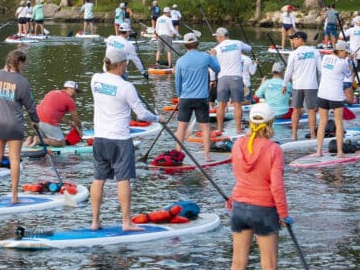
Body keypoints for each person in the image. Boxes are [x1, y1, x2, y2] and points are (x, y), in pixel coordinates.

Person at [227, 102, 291, 270]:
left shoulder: (237, 146)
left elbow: (238, 177)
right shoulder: (274, 150)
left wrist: (233, 199)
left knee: (237, 264)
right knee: (269, 266)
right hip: (264, 211)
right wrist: (284, 214)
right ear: (270, 123)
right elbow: (277, 186)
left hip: (240, 208)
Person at [90, 46, 159, 230]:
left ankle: (95, 221)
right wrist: (156, 118)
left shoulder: (95, 80)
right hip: (120, 140)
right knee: (123, 180)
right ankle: (126, 222)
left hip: (100, 138)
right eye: (126, 64)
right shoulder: (126, 87)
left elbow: (106, 75)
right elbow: (142, 114)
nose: (126, 67)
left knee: (98, 179)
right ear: (121, 65)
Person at [0, 50, 39, 204]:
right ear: (20, 63)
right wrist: (35, 120)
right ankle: (15, 196)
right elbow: (30, 105)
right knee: (14, 159)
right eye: (24, 63)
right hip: (14, 125)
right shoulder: (22, 81)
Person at [174, 33, 220, 160]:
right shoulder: (206, 57)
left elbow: (177, 81)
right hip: (201, 98)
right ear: (197, 43)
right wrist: (214, 56)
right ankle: (207, 155)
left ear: (185, 45)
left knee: (181, 127)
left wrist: (179, 96)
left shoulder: (180, 61)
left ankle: (178, 154)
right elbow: (217, 69)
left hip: (185, 97)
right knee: (205, 127)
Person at [211, 28, 254, 135]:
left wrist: (212, 80)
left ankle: (220, 129)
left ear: (221, 37)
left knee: (221, 105)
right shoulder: (238, 43)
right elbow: (250, 48)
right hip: (236, 77)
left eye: (217, 36)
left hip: (222, 78)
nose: (216, 38)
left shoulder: (216, 49)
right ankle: (238, 129)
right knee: (237, 105)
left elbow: (212, 67)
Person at [315, 42, 353, 157]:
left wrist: (347, 59)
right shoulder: (342, 63)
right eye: (346, 53)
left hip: (322, 94)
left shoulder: (325, 58)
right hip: (335, 95)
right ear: (340, 51)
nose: (346, 55)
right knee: (339, 123)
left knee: (322, 123)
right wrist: (350, 61)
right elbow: (348, 74)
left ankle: (319, 151)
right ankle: (340, 152)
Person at [282, 31, 319, 142]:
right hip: (312, 85)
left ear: (300, 39)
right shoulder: (315, 51)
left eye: (294, 39)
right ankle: (313, 136)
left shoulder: (293, 54)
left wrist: (284, 84)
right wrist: (321, 84)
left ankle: (294, 136)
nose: (292, 41)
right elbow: (320, 70)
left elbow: (289, 71)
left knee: (296, 110)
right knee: (311, 110)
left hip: (297, 86)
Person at [24, 81, 82, 148]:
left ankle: (30, 140)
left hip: (35, 120)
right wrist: (80, 129)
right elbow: (76, 118)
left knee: (47, 141)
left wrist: (70, 124)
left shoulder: (52, 92)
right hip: (47, 121)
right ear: (69, 88)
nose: (75, 94)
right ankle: (38, 140)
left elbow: (54, 115)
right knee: (61, 143)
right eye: (75, 91)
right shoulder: (69, 100)